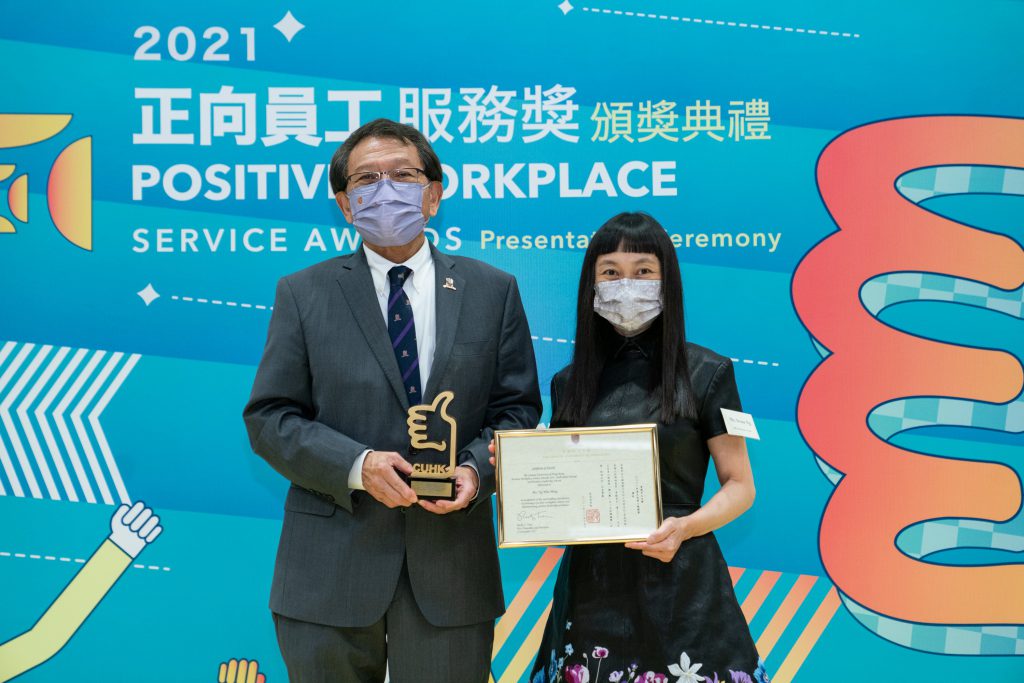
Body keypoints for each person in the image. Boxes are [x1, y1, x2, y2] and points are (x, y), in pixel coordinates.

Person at [243, 118, 542, 683]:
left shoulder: (492, 290)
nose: (385, 189)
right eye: (366, 179)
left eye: (403, 174)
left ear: (433, 192)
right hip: (328, 570)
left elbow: (517, 411)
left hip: (451, 569)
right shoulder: (303, 294)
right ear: (344, 203)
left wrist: (476, 473)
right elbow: (270, 418)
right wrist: (357, 466)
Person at [526, 212, 768, 683]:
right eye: (611, 272)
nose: (626, 285)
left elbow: (740, 485)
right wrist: (522, 473)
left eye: (643, 271)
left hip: (682, 577)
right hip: (592, 586)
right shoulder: (568, 383)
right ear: (592, 285)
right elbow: (559, 492)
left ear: (666, 281)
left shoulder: (707, 372)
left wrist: (685, 527)